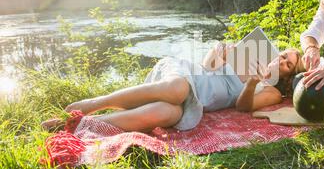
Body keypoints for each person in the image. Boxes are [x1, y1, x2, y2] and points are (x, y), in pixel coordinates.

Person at [42, 42, 304, 133]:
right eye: (283, 56)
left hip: (194, 103)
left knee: (168, 114)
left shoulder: (270, 90)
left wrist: (252, 83)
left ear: (287, 76)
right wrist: (219, 53)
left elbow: (243, 106)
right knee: (178, 89)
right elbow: (205, 66)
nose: (282, 62)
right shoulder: (251, 52)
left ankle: (80, 125)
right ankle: (92, 105)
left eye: (288, 65)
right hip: (180, 75)